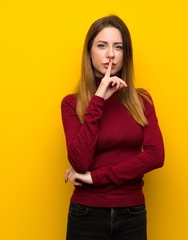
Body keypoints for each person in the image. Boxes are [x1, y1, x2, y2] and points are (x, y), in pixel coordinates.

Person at [61, 15, 165, 240]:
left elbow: (156, 156)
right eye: (102, 46)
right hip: (86, 214)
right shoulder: (71, 104)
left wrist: (95, 178)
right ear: (89, 52)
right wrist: (98, 98)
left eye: (118, 47)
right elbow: (79, 161)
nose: (110, 54)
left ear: (125, 55)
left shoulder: (141, 101)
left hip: (132, 212)